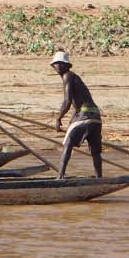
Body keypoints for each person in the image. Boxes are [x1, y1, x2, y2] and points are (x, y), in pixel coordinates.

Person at [50, 50, 102, 179]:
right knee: (95, 151)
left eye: (60, 63)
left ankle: (60, 176)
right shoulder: (75, 78)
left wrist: (58, 118)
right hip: (95, 117)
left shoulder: (68, 76)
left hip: (86, 116)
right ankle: (98, 177)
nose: (57, 66)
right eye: (56, 64)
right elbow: (77, 105)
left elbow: (67, 101)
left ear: (66, 66)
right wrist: (70, 123)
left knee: (68, 144)